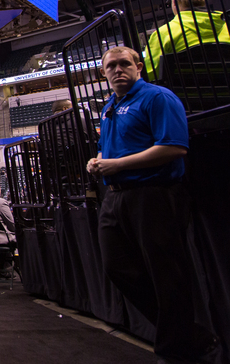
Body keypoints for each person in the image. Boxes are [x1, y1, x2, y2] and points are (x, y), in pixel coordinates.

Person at [86, 46, 217, 362]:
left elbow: (173, 147)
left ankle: (176, 351)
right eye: (111, 66)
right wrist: (99, 161)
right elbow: (110, 149)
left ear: (138, 67)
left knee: (166, 273)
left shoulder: (158, 98)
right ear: (103, 73)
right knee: (117, 268)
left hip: (154, 193)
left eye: (124, 64)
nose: (118, 70)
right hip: (116, 196)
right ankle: (192, 335)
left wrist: (118, 165)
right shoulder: (109, 107)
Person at [143, 0, 230, 81]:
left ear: (174, 2)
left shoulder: (164, 33)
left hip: (183, 97)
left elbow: (151, 76)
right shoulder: (227, 25)